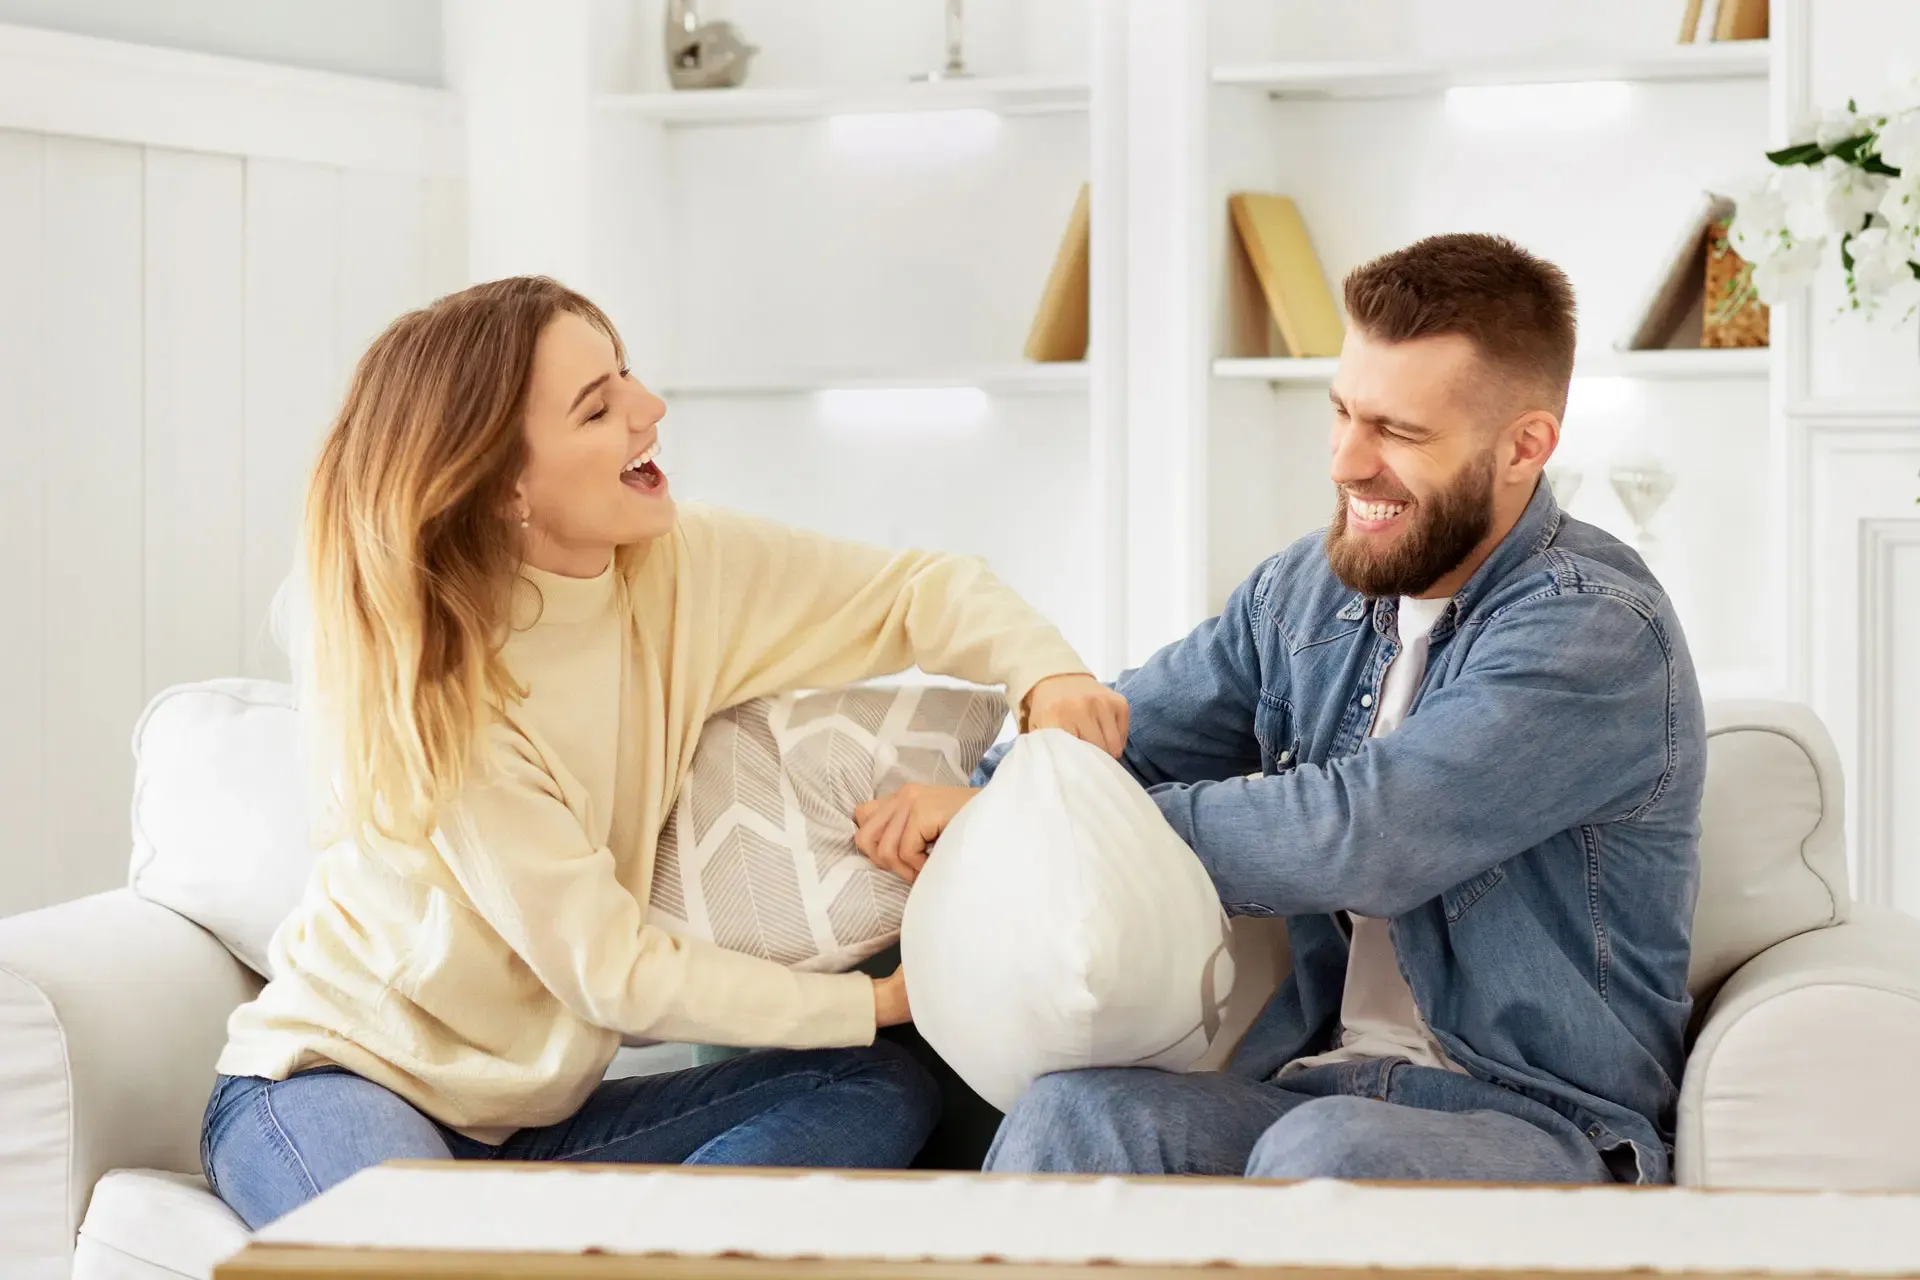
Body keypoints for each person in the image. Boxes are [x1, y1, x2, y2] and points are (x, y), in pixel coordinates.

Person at [202, 276, 1130, 1228]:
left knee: (878, 1090)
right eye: (598, 407)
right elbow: (616, 975)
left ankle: (639, 1251)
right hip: (336, 1086)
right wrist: (885, 1001)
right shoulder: (457, 693)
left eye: (627, 375)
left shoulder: (678, 569)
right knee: (415, 1256)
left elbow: (910, 593)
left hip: (524, 1132)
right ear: (505, 484)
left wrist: (1046, 677)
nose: (649, 411)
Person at [854, 234, 1706, 1186]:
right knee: (1077, 1115)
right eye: (1341, 411)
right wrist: (999, 800)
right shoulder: (1304, 592)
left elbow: (1368, 836)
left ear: (1525, 446)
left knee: (1323, 1153)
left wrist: (1037, 827)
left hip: (1538, 1122)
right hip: (1312, 1087)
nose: (1346, 461)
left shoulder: (1597, 629)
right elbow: (1117, 744)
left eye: (1399, 432)